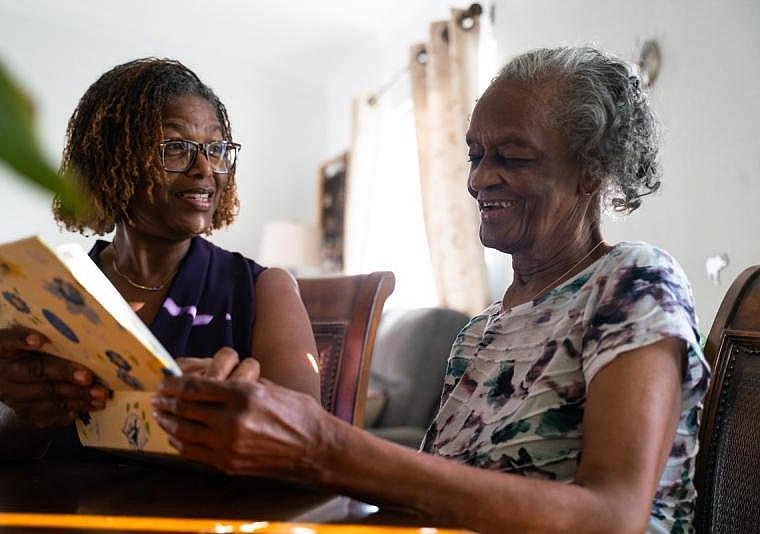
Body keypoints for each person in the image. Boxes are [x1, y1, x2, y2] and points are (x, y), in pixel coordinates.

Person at [151, 47, 710, 533]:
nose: (478, 178)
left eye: (512, 156)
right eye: (475, 155)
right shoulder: (479, 332)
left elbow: (612, 518)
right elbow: (435, 489)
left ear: (590, 169)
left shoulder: (633, 281)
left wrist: (323, 445)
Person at [0, 58, 320, 459]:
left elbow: (308, 438)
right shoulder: (41, 290)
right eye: (177, 147)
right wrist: (17, 413)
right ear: (113, 160)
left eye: (216, 149)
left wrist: (243, 410)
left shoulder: (262, 288)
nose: (205, 169)